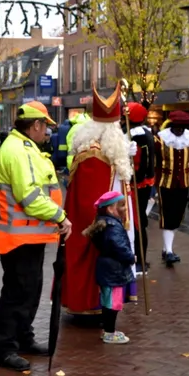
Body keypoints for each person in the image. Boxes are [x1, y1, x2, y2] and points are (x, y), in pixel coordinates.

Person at [0, 101, 72, 371]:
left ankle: (22, 338)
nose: (47, 131)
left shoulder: (22, 147)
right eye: (45, 126)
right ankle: (4, 348)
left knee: (29, 290)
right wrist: (59, 216)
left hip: (27, 235)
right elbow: (30, 197)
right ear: (35, 125)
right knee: (18, 292)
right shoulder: (19, 151)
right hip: (20, 237)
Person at [62, 85, 138, 317]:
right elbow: (91, 200)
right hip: (103, 223)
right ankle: (95, 307)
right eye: (116, 125)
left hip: (114, 217)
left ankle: (106, 307)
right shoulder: (93, 154)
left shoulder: (108, 150)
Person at [82, 191, 136, 344]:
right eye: (121, 206)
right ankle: (109, 332)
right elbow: (118, 246)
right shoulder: (113, 226)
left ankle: (107, 330)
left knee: (108, 300)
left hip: (108, 268)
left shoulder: (104, 223)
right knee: (113, 303)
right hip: (114, 270)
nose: (124, 209)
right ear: (111, 209)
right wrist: (131, 257)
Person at [155, 111, 189, 265]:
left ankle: (166, 249)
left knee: (177, 217)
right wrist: (151, 184)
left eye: (182, 128)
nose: (179, 130)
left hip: (183, 184)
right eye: (177, 127)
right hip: (164, 183)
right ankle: (169, 251)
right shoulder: (160, 139)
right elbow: (155, 163)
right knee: (167, 216)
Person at [126, 103, 154, 275]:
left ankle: (140, 260)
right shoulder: (146, 133)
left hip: (137, 184)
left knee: (136, 222)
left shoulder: (137, 137)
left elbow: (139, 163)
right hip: (143, 183)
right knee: (139, 221)